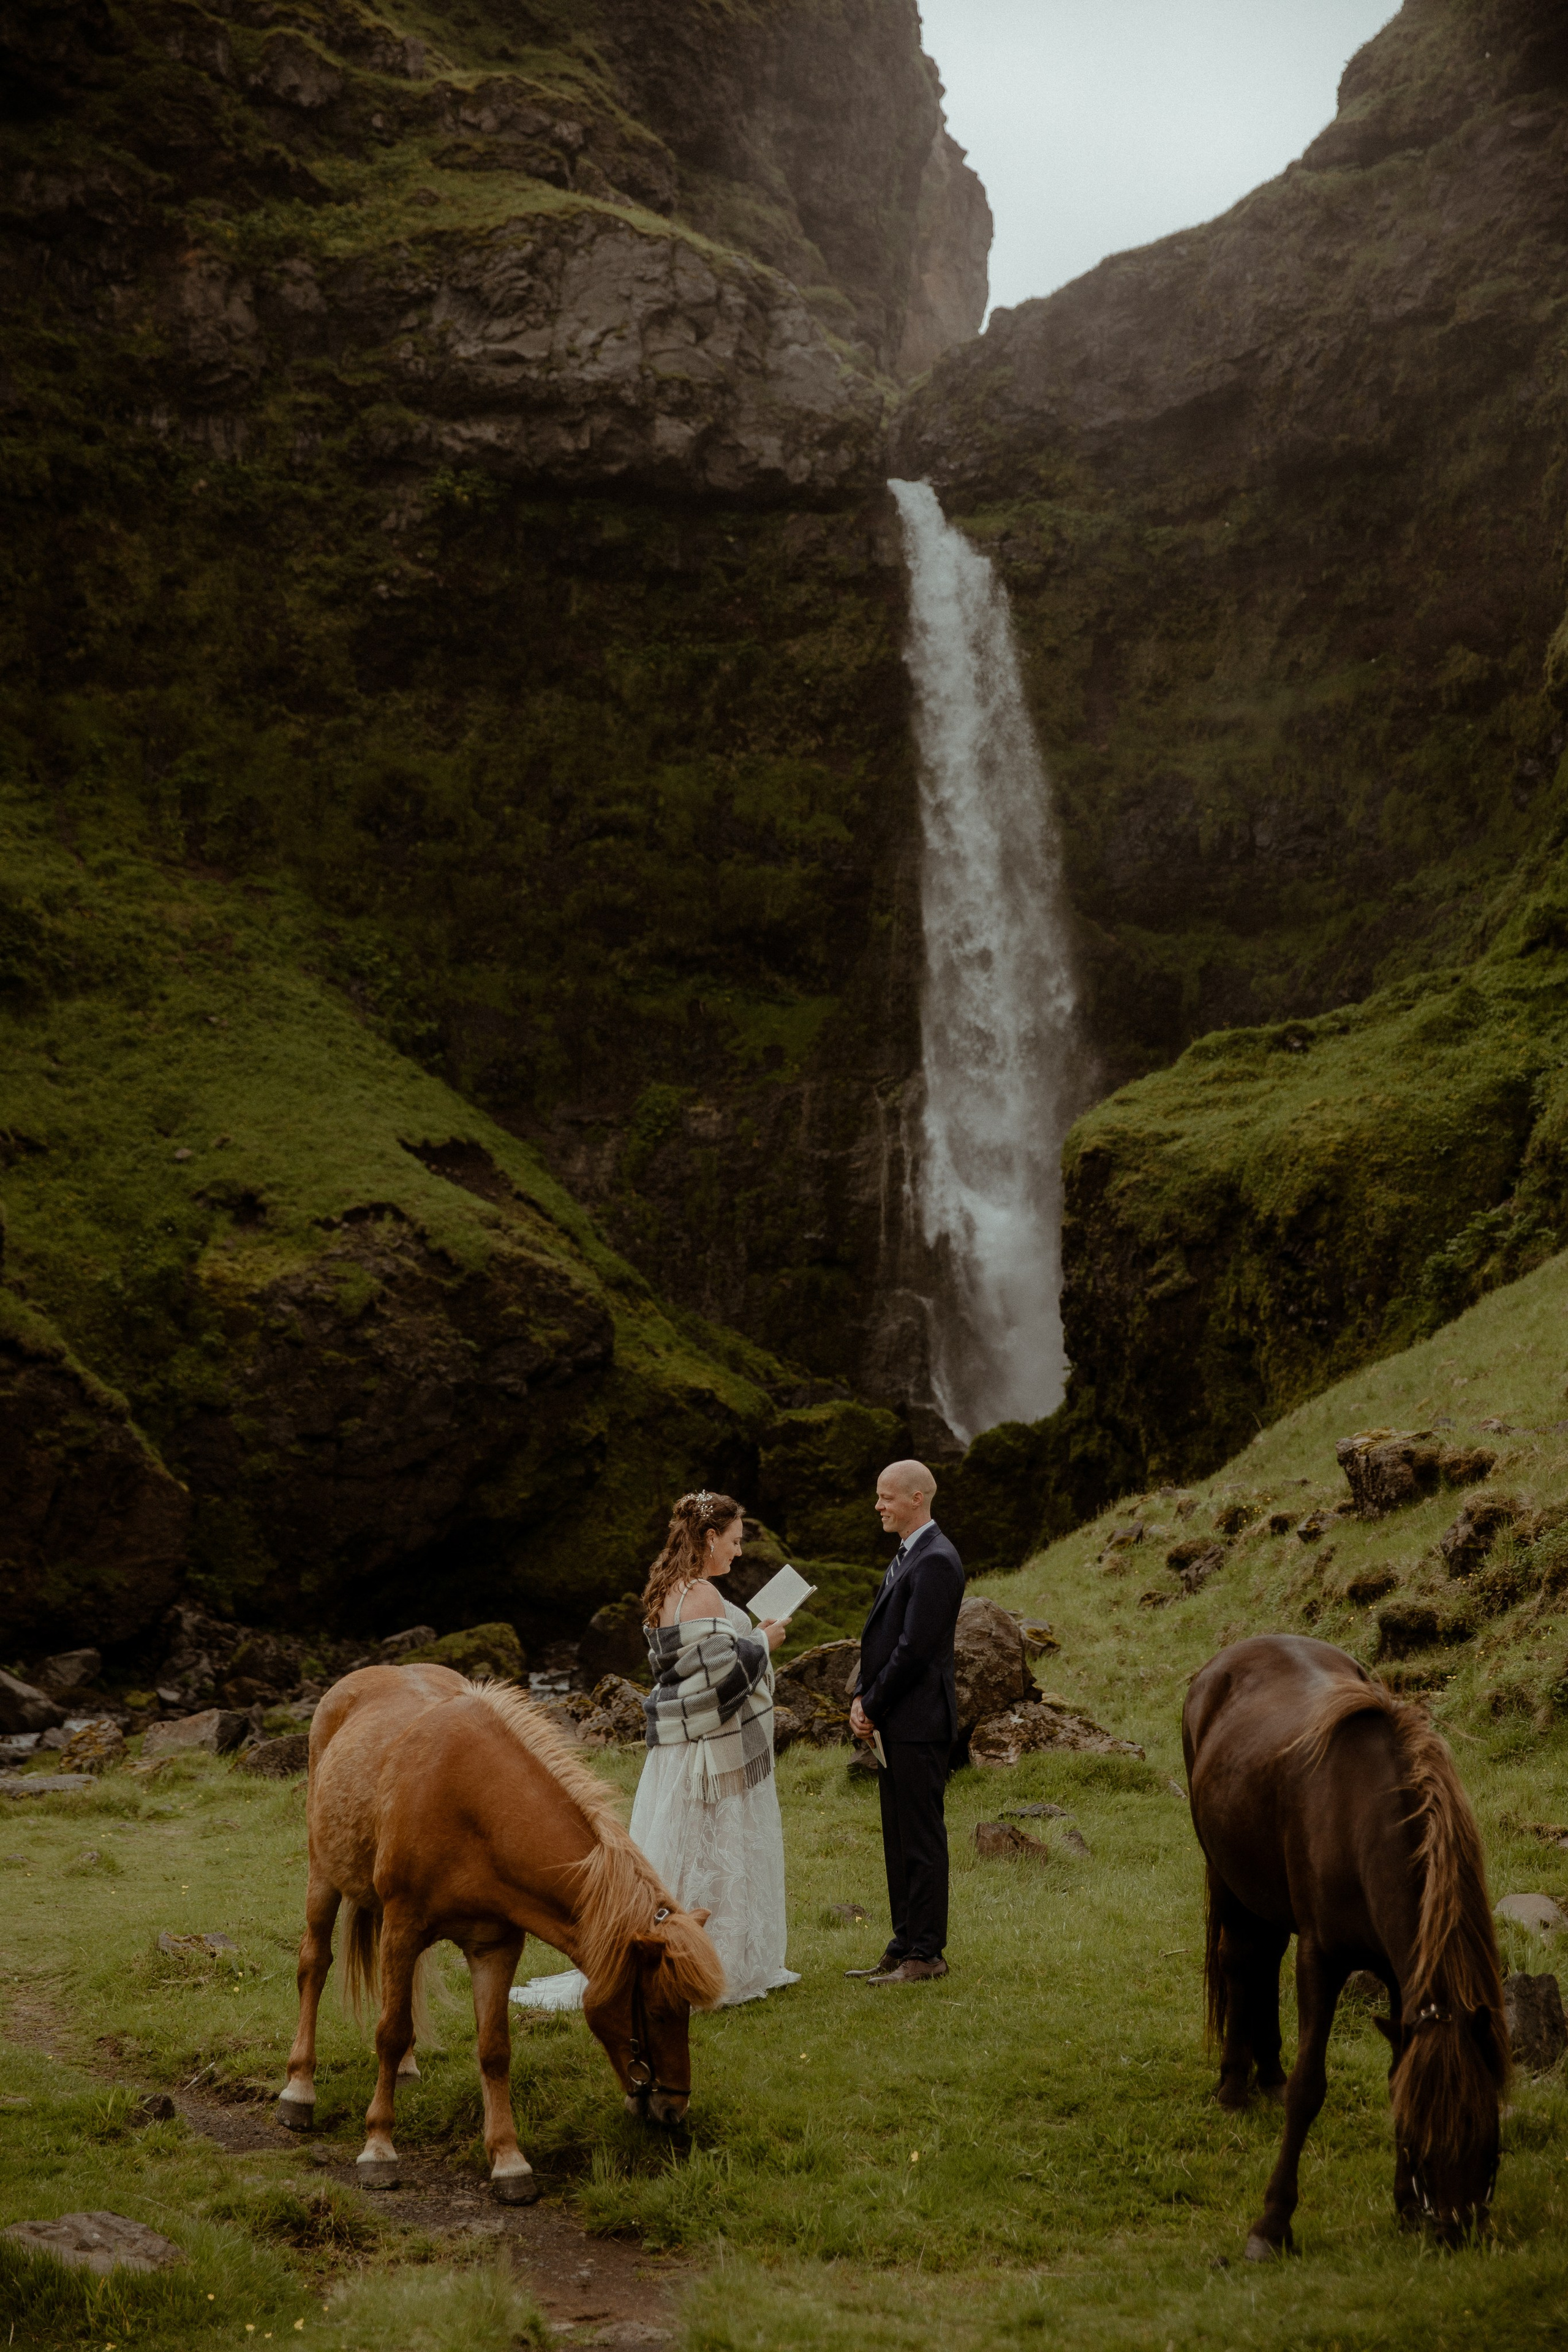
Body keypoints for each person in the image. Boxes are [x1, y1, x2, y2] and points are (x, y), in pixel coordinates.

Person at [511, 1488, 799, 2015]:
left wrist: (749, 1640)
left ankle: (669, 1948)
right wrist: (763, 1644)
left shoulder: (668, 1589)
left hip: (676, 1748)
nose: (738, 1553)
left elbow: (688, 1673)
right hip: (713, 1753)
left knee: (681, 1851)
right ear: (709, 1538)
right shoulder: (706, 1598)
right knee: (718, 1851)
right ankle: (720, 1962)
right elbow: (719, 1682)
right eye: (734, 1542)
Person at [845, 1459, 963, 1986]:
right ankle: (902, 1943)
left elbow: (915, 1650)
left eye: (887, 1497)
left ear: (917, 1498)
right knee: (898, 1840)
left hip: (918, 1722)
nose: (879, 1506)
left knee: (921, 1839)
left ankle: (927, 1955)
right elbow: (884, 1641)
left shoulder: (936, 1560)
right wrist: (861, 1696)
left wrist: (872, 1703)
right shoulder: (908, 1556)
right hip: (898, 1721)